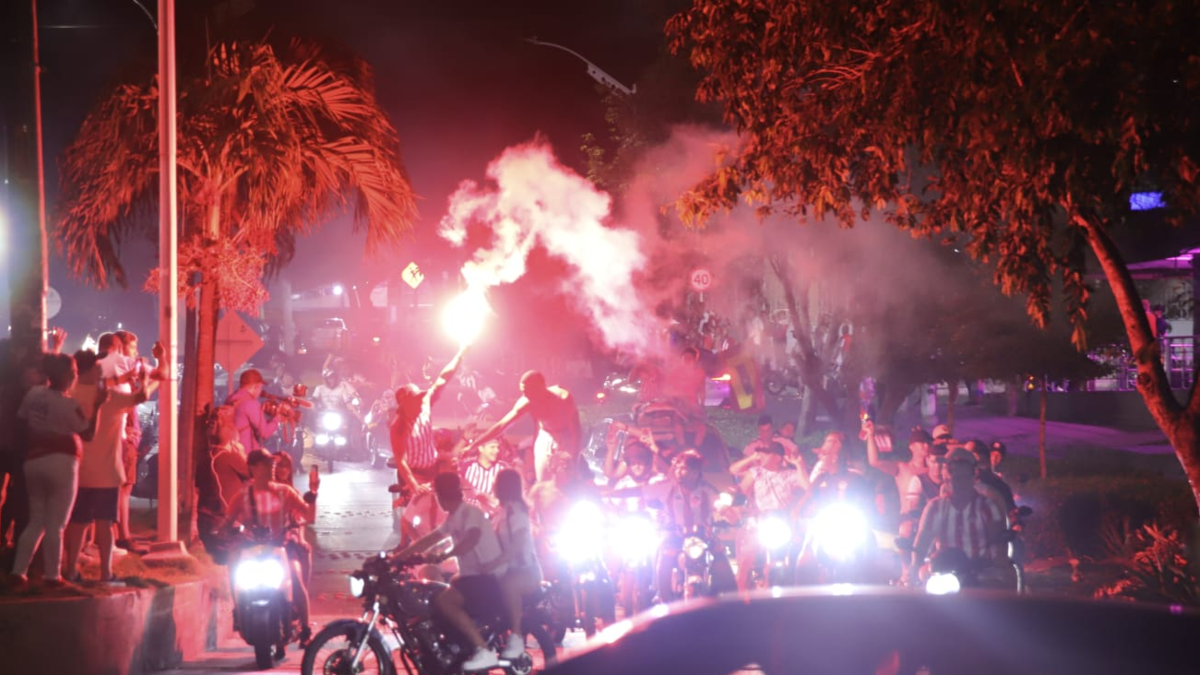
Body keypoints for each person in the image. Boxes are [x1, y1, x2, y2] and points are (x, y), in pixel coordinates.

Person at [394, 472, 507, 671]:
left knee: (444, 600)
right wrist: (399, 557)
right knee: (442, 589)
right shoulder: (454, 516)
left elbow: (471, 539)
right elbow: (431, 538)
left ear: (441, 495)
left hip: (487, 577)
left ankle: (483, 650)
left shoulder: (470, 513)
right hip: (474, 576)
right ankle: (456, 645)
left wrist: (445, 554)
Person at [64, 349, 159, 581]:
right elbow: (141, 397)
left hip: (79, 471)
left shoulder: (70, 393)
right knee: (105, 523)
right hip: (107, 473)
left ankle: (71, 569)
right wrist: (145, 379)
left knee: (77, 522)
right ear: (92, 369)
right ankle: (106, 573)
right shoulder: (109, 397)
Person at [10, 352, 103, 585]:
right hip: (62, 464)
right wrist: (98, 406)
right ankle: (52, 576)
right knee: (56, 524)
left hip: (34, 461)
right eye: (75, 372)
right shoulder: (68, 405)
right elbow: (88, 434)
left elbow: (22, 418)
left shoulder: (34, 394)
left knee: (36, 520)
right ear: (70, 376)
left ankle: (18, 572)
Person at [219, 449, 318, 644]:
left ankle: (305, 627)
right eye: (266, 464)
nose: (272, 468)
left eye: (272, 464)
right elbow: (227, 521)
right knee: (234, 566)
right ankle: (238, 610)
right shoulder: (242, 496)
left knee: (295, 577)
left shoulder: (286, 492)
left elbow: (309, 516)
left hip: (282, 547)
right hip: (252, 549)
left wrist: (313, 493)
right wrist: (222, 530)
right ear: (253, 468)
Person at [907, 447, 1008, 587]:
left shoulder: (987, 506)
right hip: (943, 570)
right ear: (946, 478)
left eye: (963, 478)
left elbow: (997, 542)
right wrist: (914, 566)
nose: (958, 483)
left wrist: (998, 561)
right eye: (954, 477)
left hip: (979, 571)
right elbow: (922, 541)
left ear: (973, 478)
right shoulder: (934, 507)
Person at [467, 370, 582, 483]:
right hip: (545, 436)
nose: (524, 395)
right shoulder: (526, 402)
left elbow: (576, 432)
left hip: (566, 436)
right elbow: (501, 426)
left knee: (566, 478)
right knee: (543, 479)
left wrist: (575, 460)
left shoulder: (563, 399)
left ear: (539, 388)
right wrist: (473, 445)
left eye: (527, 391)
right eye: (522, 391)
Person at [654, 450, 735, 602]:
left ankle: (731, 603)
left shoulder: (707, 490)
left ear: (695, 472)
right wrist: (609, 493)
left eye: (683, 468)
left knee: (723, 565)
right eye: (677, 467)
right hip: (675, 536)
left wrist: (730, 515)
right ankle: (663, 599)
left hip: (704, 537)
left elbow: (719, 505)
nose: (678, 472)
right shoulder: (667, 488)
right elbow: (638, 492)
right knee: (664, 559)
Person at [729, 440, 808, 590]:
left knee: (790, 555)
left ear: (777, 457)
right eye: (759, 454)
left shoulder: (789, 474)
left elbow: (806, 486)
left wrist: (799, 465)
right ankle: (742, 596)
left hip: (781, 521)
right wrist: (752, 458)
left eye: (765, 454)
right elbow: (734, 471)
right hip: (758, 519)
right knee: (745, 562)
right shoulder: (756, 472)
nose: (761, 457)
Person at [481, 469, 542, 659]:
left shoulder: (516, 511)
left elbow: (517, 544)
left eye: (495, 483)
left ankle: (515, 637)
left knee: (508, 585)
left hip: (525, 571)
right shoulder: (502, 511)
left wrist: (494, 562)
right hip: (507, 569)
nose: (493, 486)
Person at [390, 346, 468, 496]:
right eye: (415, 398)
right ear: (404, 403)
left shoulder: (425, 402)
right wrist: (414, 484)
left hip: (434, 469)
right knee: (419, 506)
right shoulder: (398, 426)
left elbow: (444, 377)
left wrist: (460, 354)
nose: (420, 399)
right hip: (414, 475)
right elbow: (401, 460)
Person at [225, 369, 280, 454]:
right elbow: (264, 433)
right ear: (255, 387)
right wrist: (277, 419)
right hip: (244, 453)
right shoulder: (251, 403)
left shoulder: (230, 399)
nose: (260, 392)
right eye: (260, 388)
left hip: (229, 450)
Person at [460, 438, 509, 516]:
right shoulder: (466, 466)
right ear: (481, 448)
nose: (497, 450)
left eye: (497, 447)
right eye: (492, 447)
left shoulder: (503, 468)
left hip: (492, 517)